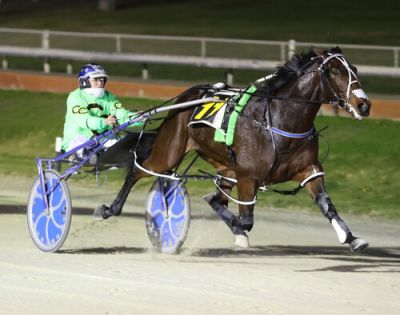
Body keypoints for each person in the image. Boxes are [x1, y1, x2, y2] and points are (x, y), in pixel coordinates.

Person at [61, 63, 143, 161]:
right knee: (81, 141)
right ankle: (85, 154)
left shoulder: (109, 97)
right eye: (96, 79)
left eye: (102, 79)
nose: (100, 83)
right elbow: (84, 120)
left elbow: (122, 115)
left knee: (130, 144)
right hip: (77, 140)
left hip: (103, 140)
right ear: (84, 81)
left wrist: (138, 117)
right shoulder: (75, 97)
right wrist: (104, 122)